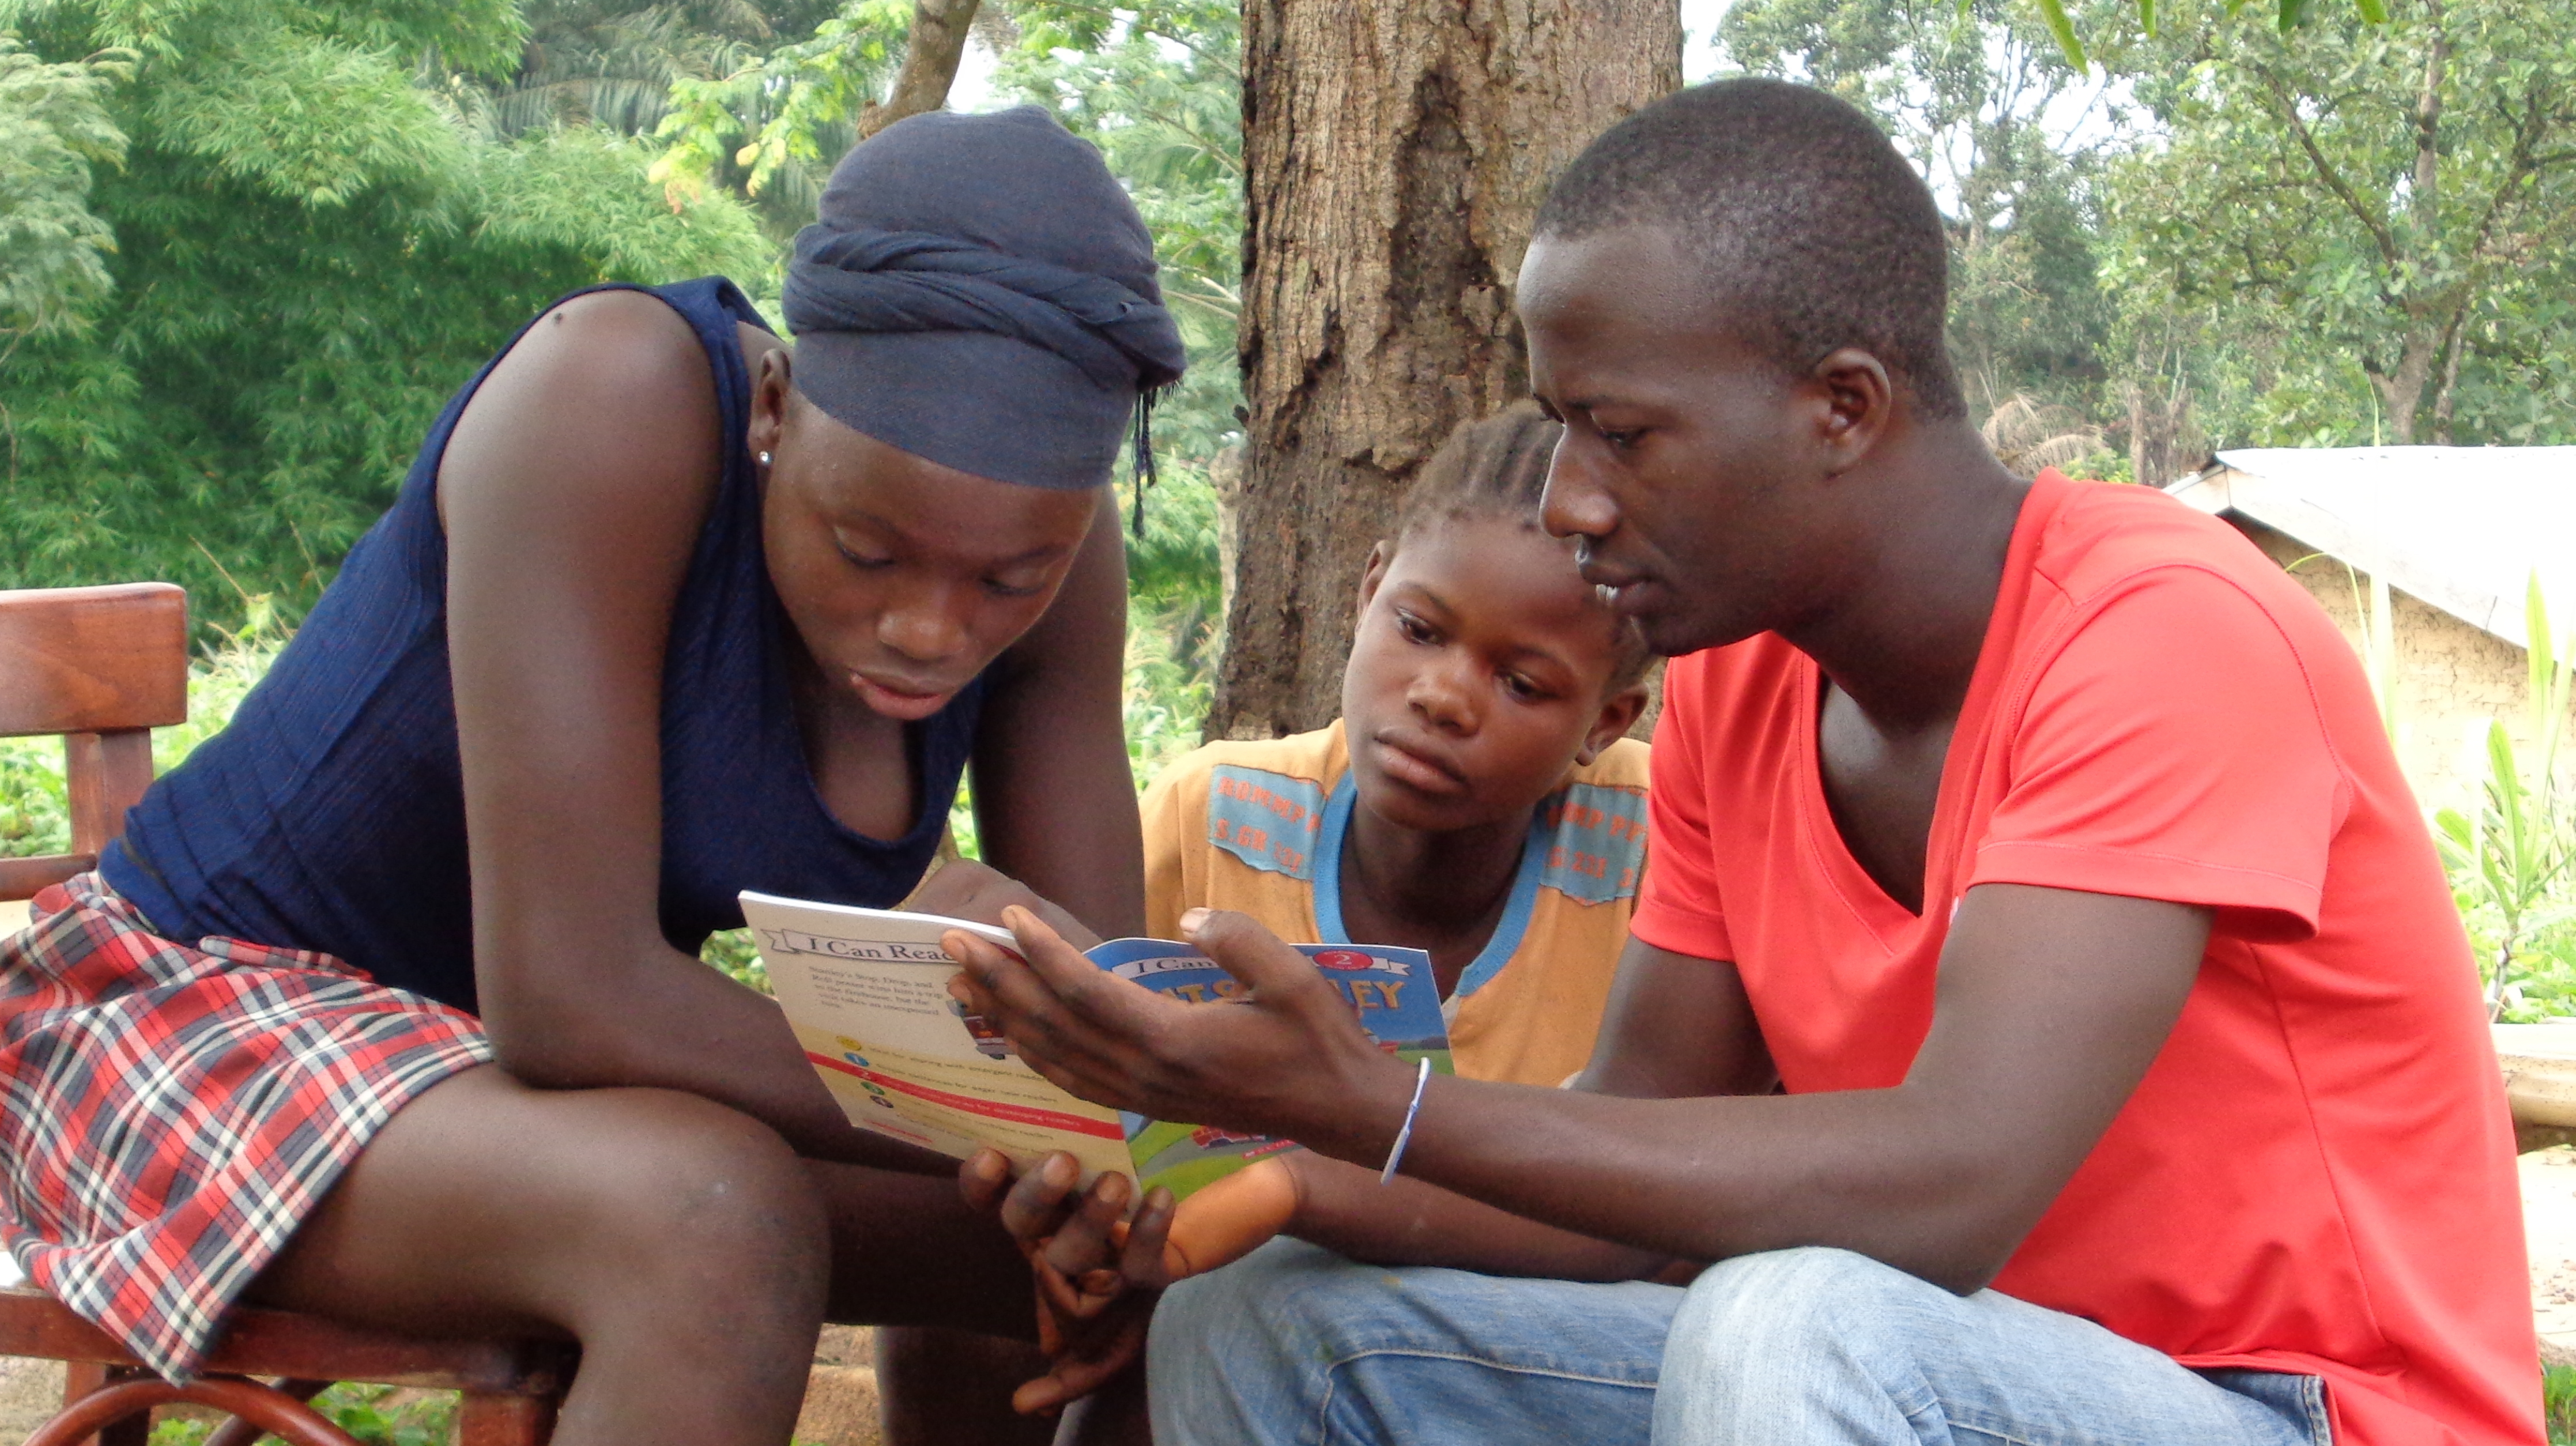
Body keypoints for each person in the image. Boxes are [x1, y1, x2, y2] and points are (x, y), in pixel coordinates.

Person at [944, 78, 2544, 1446]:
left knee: (1790, 1317)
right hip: (1916, 1377)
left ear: (1840, 407)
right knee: (1271, 1317)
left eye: (1622, 433)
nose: (1571, 501)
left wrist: (1372, 1103)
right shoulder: (1737, 683)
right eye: (1560, 428)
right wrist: (1292, 1167)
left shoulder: (2161, 634)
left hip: (2292, 1405)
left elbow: (1952, 1183)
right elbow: (1630, 1136)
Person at [0, 106, 1176, 1446]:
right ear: (776, 405)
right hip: (193, 1024)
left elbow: (1101, 1025)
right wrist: (1023, 1117)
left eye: (1008, 578)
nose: (930, 628)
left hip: (529, 1103)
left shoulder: (1054, 554)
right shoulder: (612, 394)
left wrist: (1095, 1160)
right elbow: (573, 1000)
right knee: (716, 1217)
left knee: (1112, 1249)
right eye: (868, 551)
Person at [1141, 405, 1653, 1086]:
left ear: (1606, 722)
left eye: (1522, 684)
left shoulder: (1654, 846)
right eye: (1418, 629)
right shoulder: (1210, 819)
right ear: (1371, 592)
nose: (1442, 698)